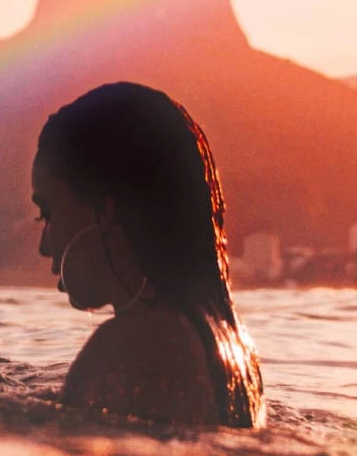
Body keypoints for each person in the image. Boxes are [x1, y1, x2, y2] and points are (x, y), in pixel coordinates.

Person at [31, 82, 265, 428]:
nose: (44, 245)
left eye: (47, 213)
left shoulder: (129, 349)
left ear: (105, 209)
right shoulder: (232, 347)